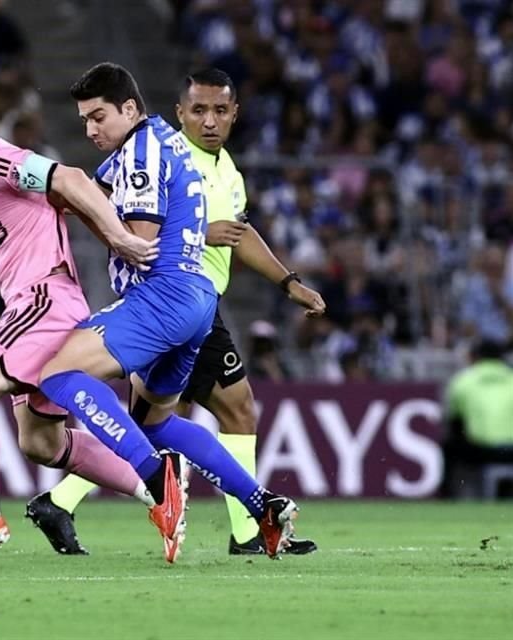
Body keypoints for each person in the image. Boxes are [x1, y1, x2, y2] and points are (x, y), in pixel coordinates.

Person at [28, 68, 326, 557]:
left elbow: (138, 242)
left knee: (57, 374)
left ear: (129, 109)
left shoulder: (144, 150)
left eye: (98, 117)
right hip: (198, 304)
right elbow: (90, 199)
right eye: (84, 121)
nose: (90, 131)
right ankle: (262, 506)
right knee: (155, 420)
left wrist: (101, 227)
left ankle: (155, 477)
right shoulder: (156, 143)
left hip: (161, 296)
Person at [0, 91, 169, 561]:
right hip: (47, 304)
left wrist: (120, 237)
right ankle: (160, 492)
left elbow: (70, 179)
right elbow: (31, 207)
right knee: (41, 442)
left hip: (44, 301)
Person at [442, 340, 513, 498]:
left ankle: (448, 497)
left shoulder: (463, 381)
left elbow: (453, 420)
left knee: (448, 445)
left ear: (476, 357)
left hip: (482, 450)